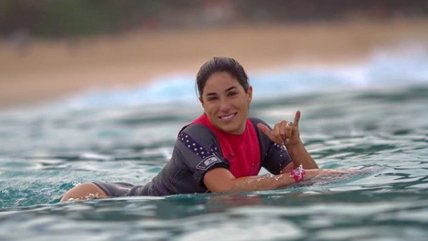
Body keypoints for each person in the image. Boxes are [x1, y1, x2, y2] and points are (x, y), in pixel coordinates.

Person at [61, 57, 343, 202]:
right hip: (110, 203)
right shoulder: (193, 136)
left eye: (232, 94)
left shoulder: (259, 130)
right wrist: (292, 178)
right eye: (212, 98)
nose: (224, 106)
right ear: (202, 103)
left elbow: (310, 180)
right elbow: (224, 188)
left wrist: (295, 147)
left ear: (249, 94)